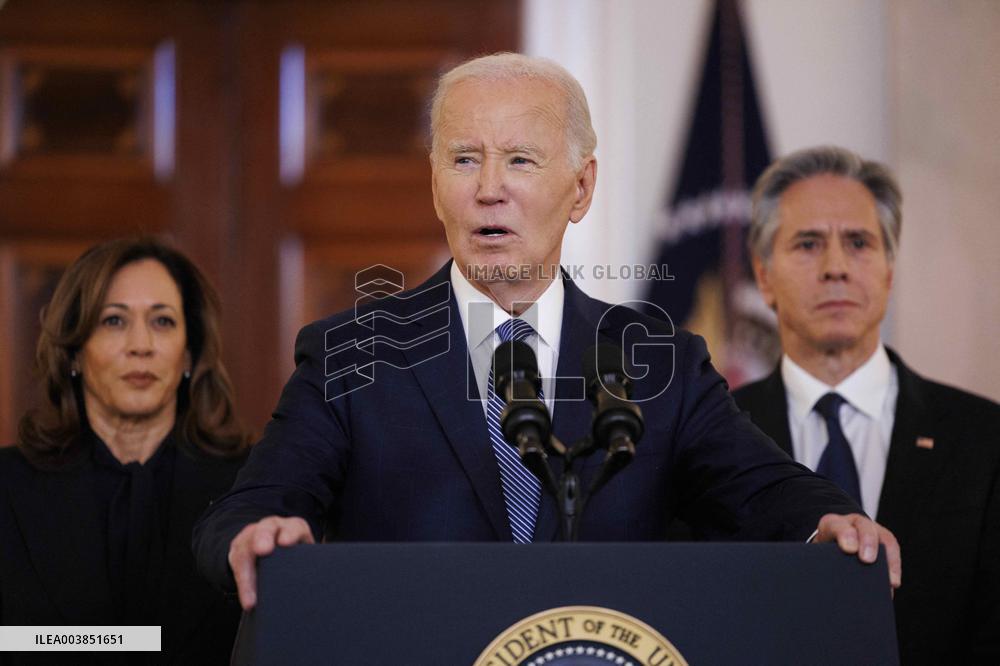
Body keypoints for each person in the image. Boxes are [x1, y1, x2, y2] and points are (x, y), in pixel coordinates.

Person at [193, 53, 900, 613]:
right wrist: (258, 536)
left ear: (582, 189)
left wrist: (830, 520)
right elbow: (248, 510)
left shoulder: (658, 362)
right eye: (464, 159)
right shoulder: (354, 352)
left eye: (521, 160)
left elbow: (767, 491)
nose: (489, 188)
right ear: (434, 182)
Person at [734, 145, 1000, 664]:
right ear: (764, 277)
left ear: (889, 271)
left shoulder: (984, 441)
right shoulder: (712, 440)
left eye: (859, 243)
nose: (836, 267)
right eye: (808, 244)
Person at [0, 238, 251, 665]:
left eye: (163, 322)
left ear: (189, 353)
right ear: (75, 351)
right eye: (114, 321)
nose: (141, 345)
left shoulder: (248, 487)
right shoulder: (7, 486)